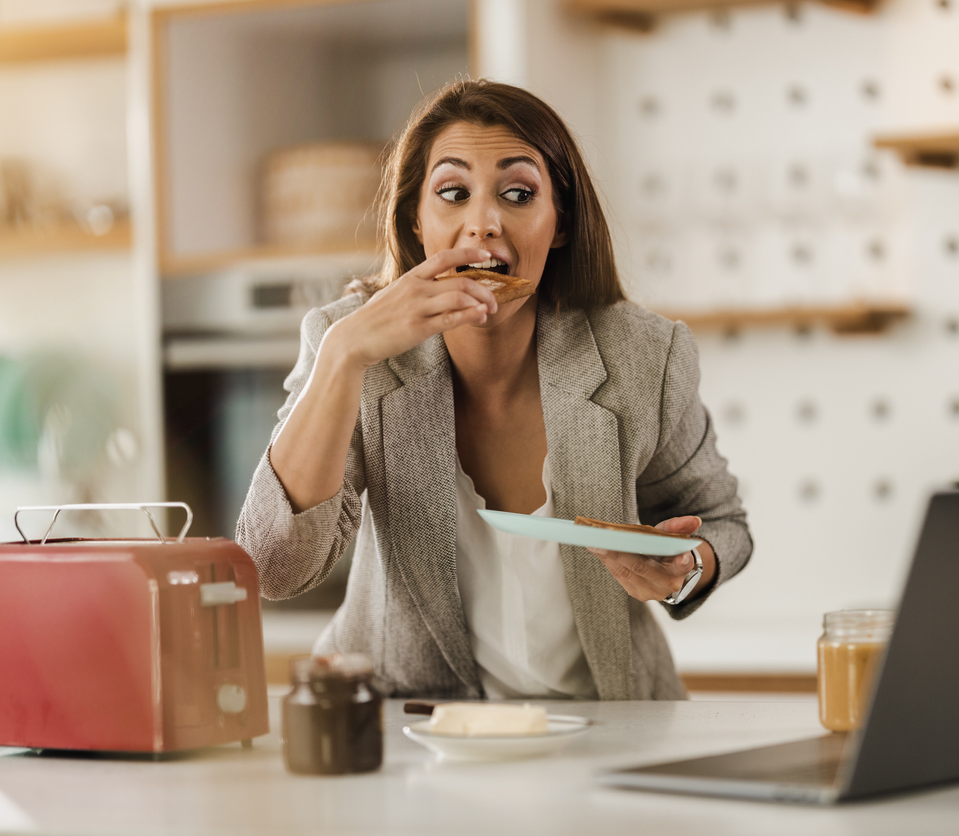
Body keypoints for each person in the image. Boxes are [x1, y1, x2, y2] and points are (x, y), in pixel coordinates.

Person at [237, 79, 752, 701]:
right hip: (413, 727)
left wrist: (687, 566)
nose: (482, 224)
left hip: (610, 725)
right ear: (416, 220)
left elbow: (722, 523)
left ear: (559, 223)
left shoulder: (642, 355)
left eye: (518, 194)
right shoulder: (349, 345)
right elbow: (274, 568)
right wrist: (343, 357)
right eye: (453, 193)